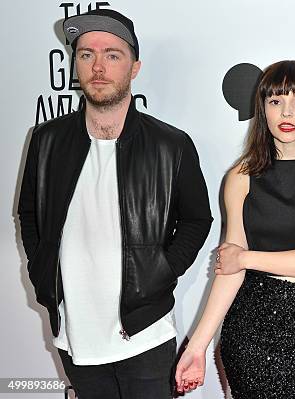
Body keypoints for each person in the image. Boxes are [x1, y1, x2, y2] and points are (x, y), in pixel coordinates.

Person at [18, 8, 213, 399]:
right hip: (73, 333)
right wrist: (43, 269)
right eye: (86, 54)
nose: (98, 66)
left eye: (112, 54)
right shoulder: (46, 141)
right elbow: (29, 214)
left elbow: (196, 220)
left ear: (134, 67)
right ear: (75, 64)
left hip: (144, 333)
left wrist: (159, 271)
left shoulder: (170, 146)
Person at [175, 60, 295, 398]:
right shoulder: (240, 176)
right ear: (262, 109)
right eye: (276, 102)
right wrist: (196, 347)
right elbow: (229, 270)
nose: (286, 112)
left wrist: (246, 258)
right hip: (250, 329)